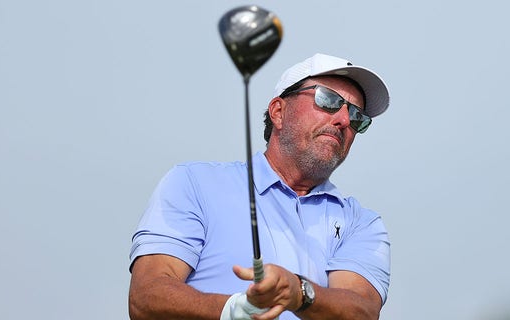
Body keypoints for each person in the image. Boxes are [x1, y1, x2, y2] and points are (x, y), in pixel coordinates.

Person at [128, 53, 391, 320]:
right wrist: (231, 310)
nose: (344, 120)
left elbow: (362, 311)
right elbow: (146, 297)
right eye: (328, 100)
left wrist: (299, 292)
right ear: (278, 112)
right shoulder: (193, 184)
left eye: (358, 116)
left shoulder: (361, 223)